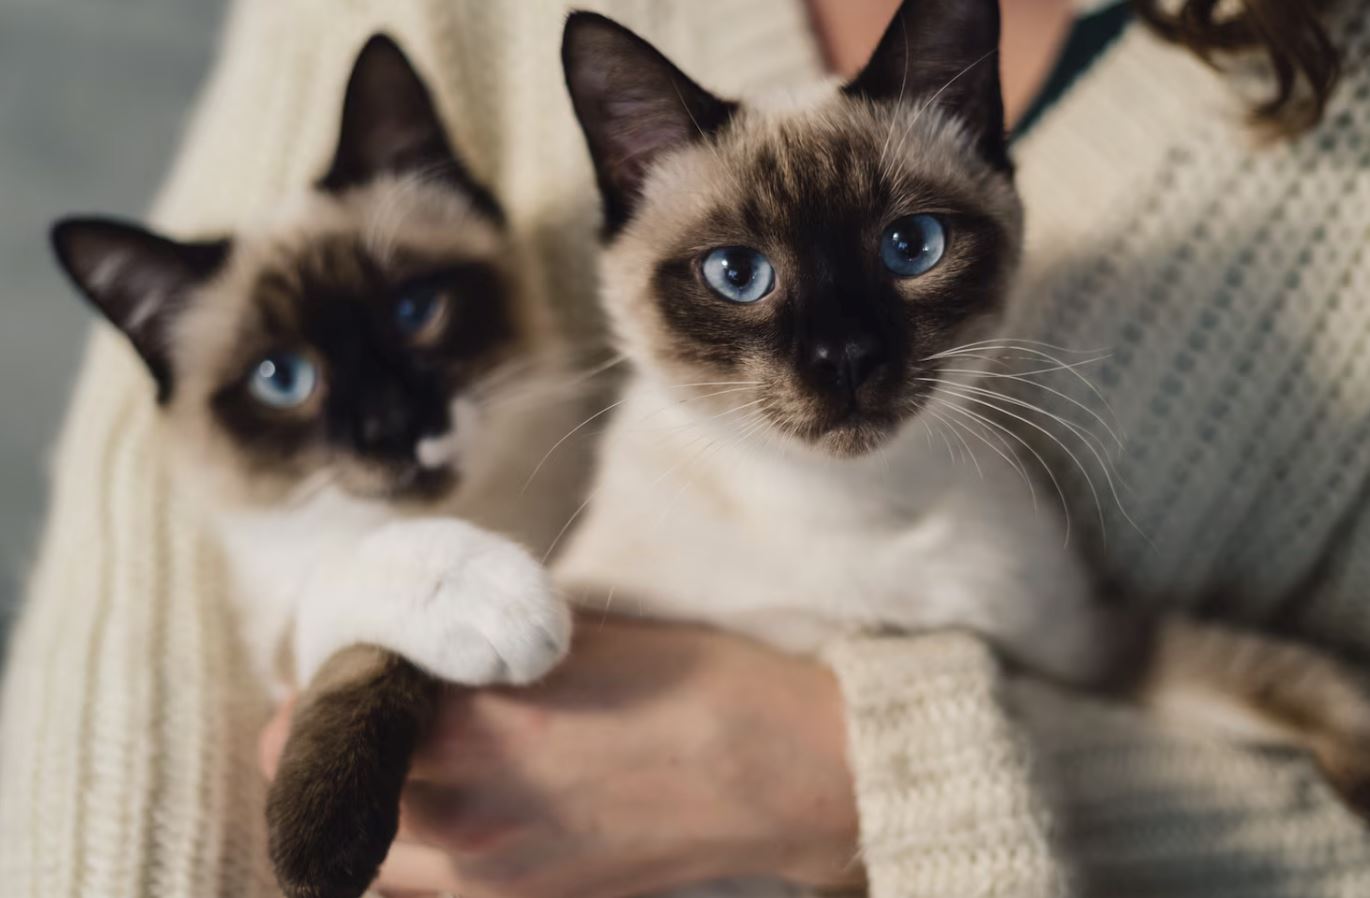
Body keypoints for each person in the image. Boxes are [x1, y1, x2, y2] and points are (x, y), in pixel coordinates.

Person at [3, 1, 1367, 897]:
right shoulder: (624, 496)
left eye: (907, 250)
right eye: (736, 277)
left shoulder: (1004, 503)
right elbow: (167, 597)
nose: (837, 352)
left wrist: (843, 776)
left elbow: (1124, 660)